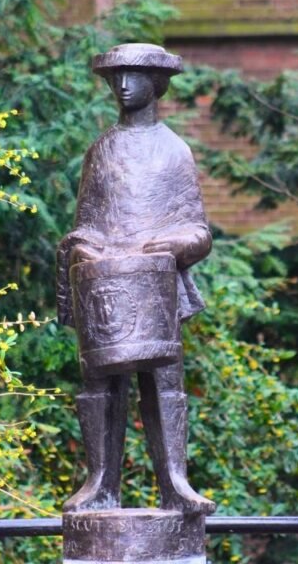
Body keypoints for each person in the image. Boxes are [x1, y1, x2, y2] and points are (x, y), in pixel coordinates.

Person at [56, 43, 215, 515]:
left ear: (157, 83)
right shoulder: (101, 150)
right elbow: (85, 220)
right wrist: (83, 245)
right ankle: (99, 482)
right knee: (100, 382)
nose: (123, 85)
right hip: (106, 283)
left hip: (157, 286)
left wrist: (173, 246)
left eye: (136, 76)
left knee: (164, 381)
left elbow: (199, 230)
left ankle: (176, 483)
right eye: (117, 77)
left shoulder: (174, 151)